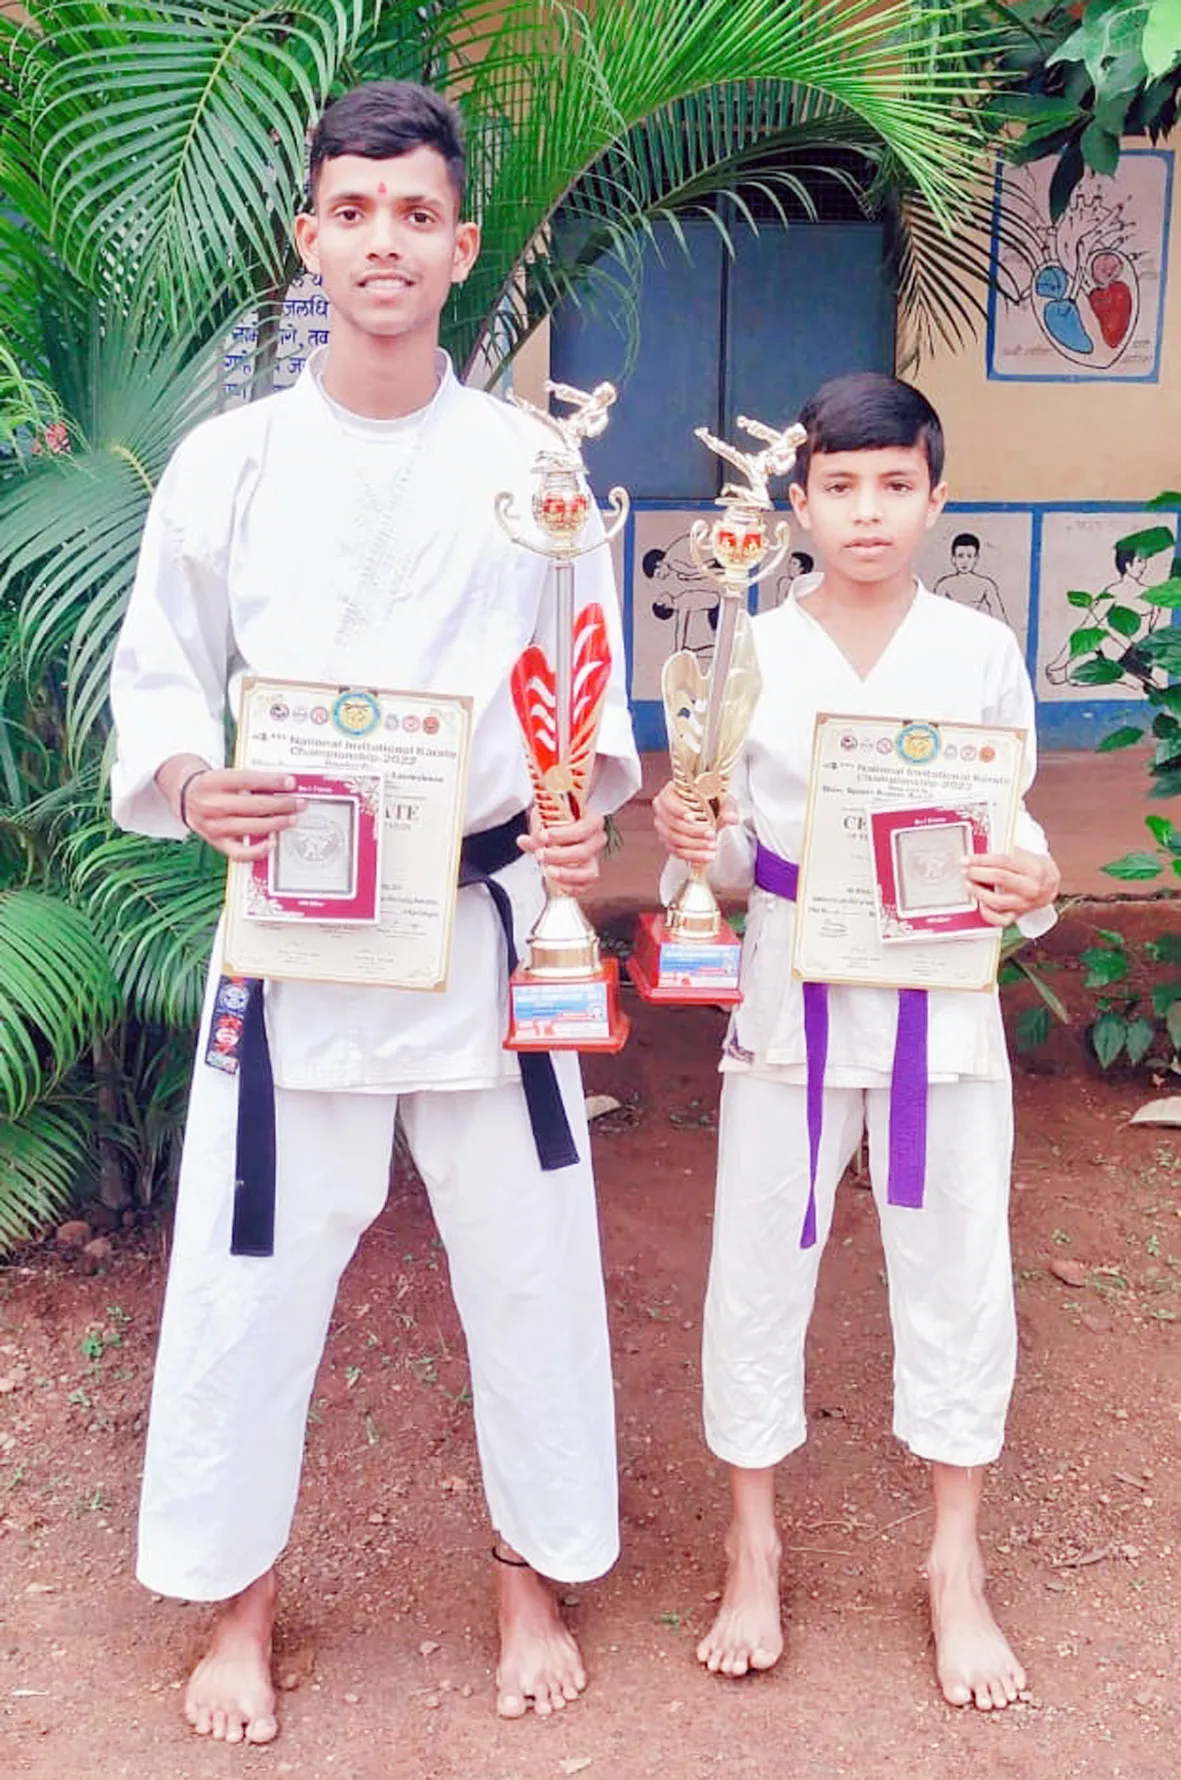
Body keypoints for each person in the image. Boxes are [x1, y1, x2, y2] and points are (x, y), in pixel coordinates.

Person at [109, 80, 640, 1743]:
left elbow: (584, 690)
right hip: (297, 923)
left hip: (485, 918)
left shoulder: (533, 465)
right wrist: (193, 782)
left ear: (462, 244)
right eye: (354, 212)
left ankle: (529, 1572)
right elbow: (162, 674)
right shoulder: (230, 461)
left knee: (530, 1261)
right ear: (310, 238)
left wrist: (575, 815)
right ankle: (237, 1605)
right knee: (250, 1265)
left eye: (417, 215)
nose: (384, 243)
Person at [652, 372, 1060, 1712]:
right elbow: (727, 854)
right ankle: (751, 1542)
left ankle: (954, 1559)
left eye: (895, 484)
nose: (867, 511)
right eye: (840, 485)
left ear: (935, 498)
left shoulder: (976, 651)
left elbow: (1011, 820)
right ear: (798, 502)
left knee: (958, 1268)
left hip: (939, 1002)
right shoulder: (752, 649)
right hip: (792, 998)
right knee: (755, 1267)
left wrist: (1033, 883)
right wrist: (692, 839)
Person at [933, 531, 1008, 623]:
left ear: (976, 559)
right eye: (960, 556)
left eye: (969, 556)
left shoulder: (986, 585)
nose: (965, 561)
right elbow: (935, 616)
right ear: (953, 559)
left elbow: (999, 617)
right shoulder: (944, 585)